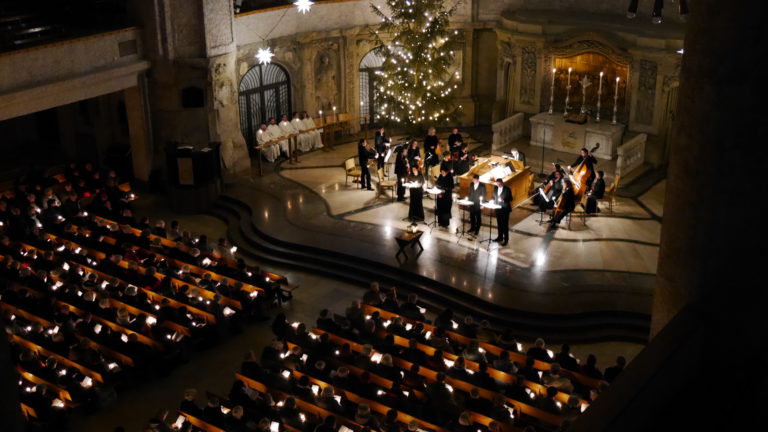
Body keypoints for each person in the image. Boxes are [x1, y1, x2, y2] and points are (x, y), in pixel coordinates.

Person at [492, 178, 512, 246]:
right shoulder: (495, 188)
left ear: (502, 183)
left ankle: (506, 239)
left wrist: (504, 199)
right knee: (499, 224)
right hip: (498, 208)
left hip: (505, 209)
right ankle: (500, 237)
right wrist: (493, 201)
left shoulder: (507, 189)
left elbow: (511, 198)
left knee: (505, 225)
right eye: (497, 184)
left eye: (499, 184)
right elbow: (493, 197)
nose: (498, 185)